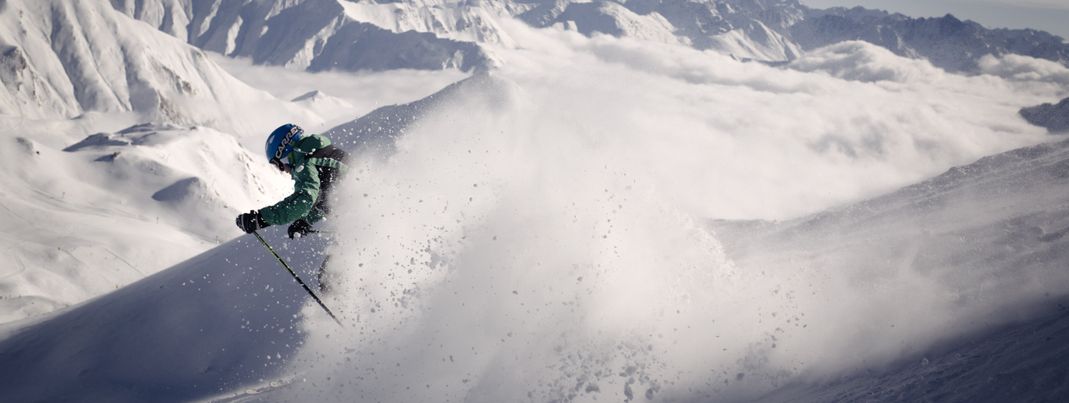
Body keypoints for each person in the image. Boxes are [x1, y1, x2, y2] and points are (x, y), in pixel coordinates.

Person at [236, 123, 348, 238]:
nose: (283, 169)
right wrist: (306, 221)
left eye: (279, 164)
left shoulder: (306, 163)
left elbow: (305, 200)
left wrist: (261, 219)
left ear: (286, 152)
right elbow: (328, 198)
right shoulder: (322, 153)